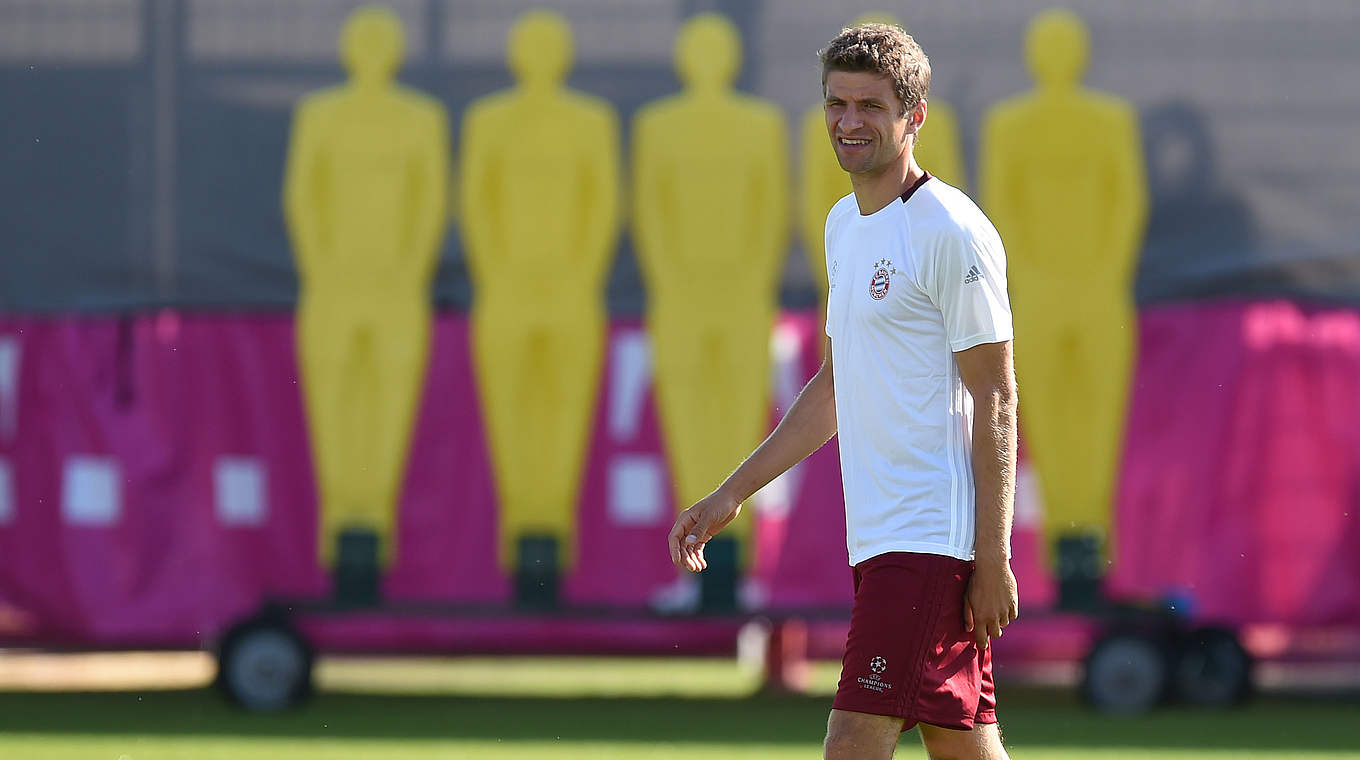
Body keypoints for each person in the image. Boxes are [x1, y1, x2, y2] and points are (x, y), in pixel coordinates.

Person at [667, 24, 1018, 760]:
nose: (849, 121)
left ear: (914, 115)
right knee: (963, 746)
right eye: (836, 103)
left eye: (870, 105)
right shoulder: (842, 225)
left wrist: (992, 556)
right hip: (883, 539)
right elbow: (834, 385)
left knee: (853, 740)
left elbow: (997, 397)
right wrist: (731, 493)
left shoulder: (951, 229)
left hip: (930, 542)